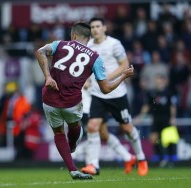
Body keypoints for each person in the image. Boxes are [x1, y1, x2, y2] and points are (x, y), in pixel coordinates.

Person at [35, 21, 134, 180]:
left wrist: (48, 77)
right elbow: (106, 89)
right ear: (88, 38)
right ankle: (73, 144)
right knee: (75, 127)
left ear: (73, 35)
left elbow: (40, 52)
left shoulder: (58, 44)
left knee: (58, 132)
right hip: (71, 103)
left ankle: (72, 169)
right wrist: (123, 76)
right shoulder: (95, 58)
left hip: (49, 98)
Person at [81, 17, 148, 176]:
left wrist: (107, 77)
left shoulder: (114, 44)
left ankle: (141, 158)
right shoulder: (88, 46)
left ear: (104, 28)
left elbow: (125, 65)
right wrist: (86, 81)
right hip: (97, 94)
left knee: (127, 128)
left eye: (98, 26)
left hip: (116, 93)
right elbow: (87, 68)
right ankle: (93, 165)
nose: (95, 29)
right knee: (92, 126)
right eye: (92, 27)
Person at [136, 74, 178, 167]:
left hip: (166, 118)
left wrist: (173, 117)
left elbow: (172, 106)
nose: (157, 82)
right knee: (154, 139)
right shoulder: (152, 93)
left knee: (168, 139)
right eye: (156, 80)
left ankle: (170, 158)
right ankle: (161, 156)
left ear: (163, 81)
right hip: (156, 118)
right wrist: (141, 116)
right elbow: (147, 105)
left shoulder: (169, 92)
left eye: (159, 79)